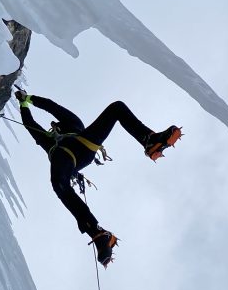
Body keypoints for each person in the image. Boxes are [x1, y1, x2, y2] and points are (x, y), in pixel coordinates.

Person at [15, 90, 181, 267]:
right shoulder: (63, 130)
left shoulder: (60, 131)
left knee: (60, 184)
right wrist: (27, 101)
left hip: (70, 153)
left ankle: (151, 140)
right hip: (79, 151)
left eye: (55, 125)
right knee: (116, 108)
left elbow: (38, 117)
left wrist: (26, 101)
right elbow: (45, 112)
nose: (54, 126)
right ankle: (149, 140)